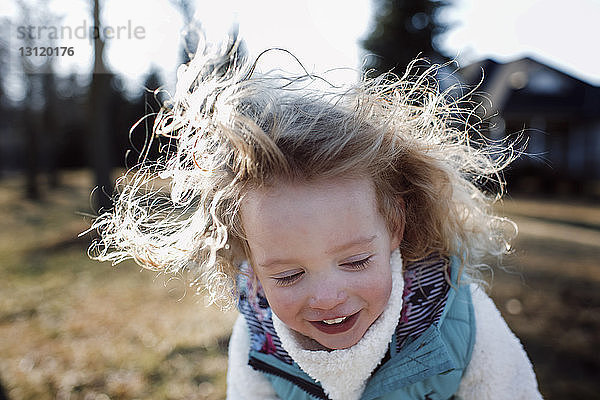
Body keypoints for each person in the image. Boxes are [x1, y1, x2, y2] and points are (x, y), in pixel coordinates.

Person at [89, 44, 543, 399]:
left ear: (395, 227)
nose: (327, 298)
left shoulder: (460, 323)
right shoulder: (258, 339)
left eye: (356, 261)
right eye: (288, 275)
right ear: (249, 258)